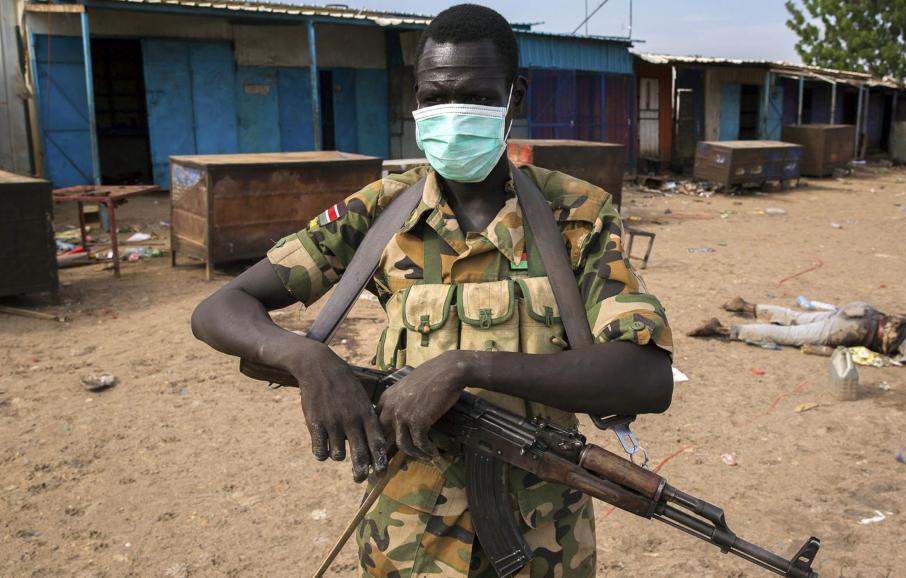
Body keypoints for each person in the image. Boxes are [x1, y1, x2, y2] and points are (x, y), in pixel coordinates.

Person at [190, 5, 674, 577]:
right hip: (406, 534)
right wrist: (306, 356)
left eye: (472, 96)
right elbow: (220, 308)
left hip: (546, 535)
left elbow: (644, 376)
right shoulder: (377, 212)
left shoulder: (577, 213)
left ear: (514, 97)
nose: (449, 114)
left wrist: (466, 366)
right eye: (435, 95)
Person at [688, 297, 906, 372]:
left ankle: (750, 306)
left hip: (865, 313)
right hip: (862, 330)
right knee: (795, 334)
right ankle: (726, 329)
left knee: (798, 317)